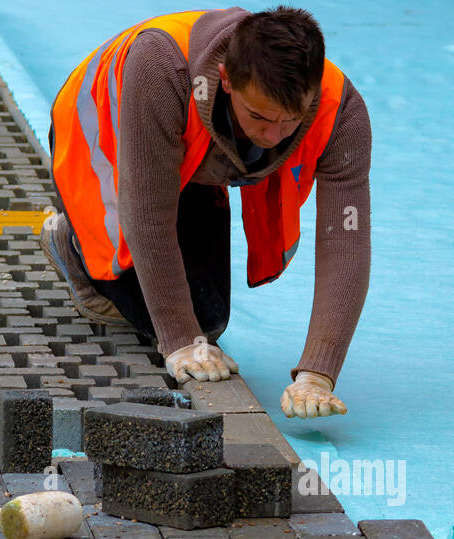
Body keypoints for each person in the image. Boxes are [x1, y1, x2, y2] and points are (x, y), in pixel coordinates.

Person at [43, 5, 371, 418]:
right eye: (259, 117)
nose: (273, 137)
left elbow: (346, 238)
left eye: (291, 121)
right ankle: (71, 242)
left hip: (190, 162)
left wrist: (317, 373)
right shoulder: (162, 69)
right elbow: (148, 214)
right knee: (180, 330)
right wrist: (179, 340)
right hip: (103, 144)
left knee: (209, 321)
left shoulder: (342, 112)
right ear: (227, 80)